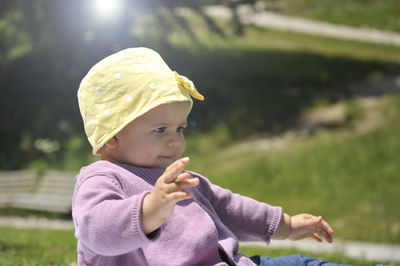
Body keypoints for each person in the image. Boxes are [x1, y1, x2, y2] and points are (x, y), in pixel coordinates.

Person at [73, 47, 350, 266]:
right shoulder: (102, 179)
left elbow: (230, 207)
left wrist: (285, 225)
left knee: (300, 263)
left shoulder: (181, 180)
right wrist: (149, 210)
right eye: (160, 129)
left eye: (179, 128)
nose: (175, 140)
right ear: (111, 136)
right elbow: (95, 229)